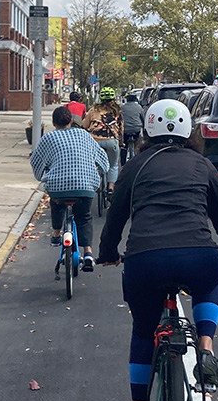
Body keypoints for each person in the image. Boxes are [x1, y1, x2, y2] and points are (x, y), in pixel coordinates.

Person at [97, 99, 218, 401]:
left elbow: (115, 217)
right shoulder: (202, 164)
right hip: (199, 256)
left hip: (145, 260)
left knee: (144, 332)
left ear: (147, 130)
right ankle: (205, 349)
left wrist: (107, 254)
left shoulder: (136, 166)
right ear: (190, 130)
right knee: (209, 285)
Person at [30, 105, 111, 272]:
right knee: (84, 217)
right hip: (85, 186)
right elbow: (104, 162)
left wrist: (41, 176)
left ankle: (55, 235)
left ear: (54, 122)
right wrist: (100, 172)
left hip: (58, 187)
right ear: (71, 121)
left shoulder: (48, 138)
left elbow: (36, 162)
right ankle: (88, 252)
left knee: (57, 205)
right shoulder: (84, 135)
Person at [82, 87, 123, 198]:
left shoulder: (93, 110)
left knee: (90, 164)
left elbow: (84, 125)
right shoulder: (117, 111)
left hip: (94, 141)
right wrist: (120, 142)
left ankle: (90, 184)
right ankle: (110, 188)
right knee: (113, 165)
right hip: (111, 141)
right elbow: (121, 129)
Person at [120, 93, 144, 164]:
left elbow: (119, 119)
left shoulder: (122, 107)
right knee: (138, 144)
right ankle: (138, 159)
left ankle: (123, 162)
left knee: (124, 147)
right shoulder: (139, 107)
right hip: (136, 129)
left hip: (125, 129)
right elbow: (143, 118)